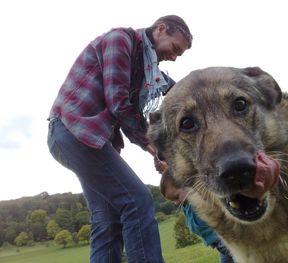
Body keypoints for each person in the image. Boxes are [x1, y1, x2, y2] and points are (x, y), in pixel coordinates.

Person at [47, 15, 193, 263]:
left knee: (107, 220)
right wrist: (155, 147)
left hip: (85, 138)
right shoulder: (121, 41)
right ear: (160, 29)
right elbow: (119, 104)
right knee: (137, 201)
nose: (175, 57)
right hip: (74, 132)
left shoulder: (146, 66)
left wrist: (198, 95)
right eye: (175, 48)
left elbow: (174, 88)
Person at [159, 171, 237, 263]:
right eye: (173, 201)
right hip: (219, 247)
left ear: (186, 185)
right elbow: (169, 174)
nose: (176, 203)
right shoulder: (185, 205)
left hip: (227, 242)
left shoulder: (201, 196)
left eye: (177, 197)